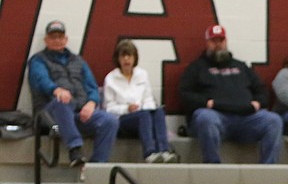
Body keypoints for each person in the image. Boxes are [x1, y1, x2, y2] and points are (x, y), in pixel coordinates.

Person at [179, 24, 282, 164]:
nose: (218, 45)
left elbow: (261, 90)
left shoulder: (241, 66)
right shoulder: (196, 67)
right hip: (217, 117)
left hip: (246, 118)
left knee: (273, 120)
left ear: (226, 42)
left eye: (221, 41)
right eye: (213, 41)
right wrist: (206, 103)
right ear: (207, 42)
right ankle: (213, 166)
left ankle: (267, 169)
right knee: (205, 117)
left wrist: (257, 103)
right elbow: (185, 94)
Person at [27, 20, 117, 167]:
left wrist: (91, 103)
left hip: (77, 115)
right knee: (62, 101)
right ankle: (75, 150)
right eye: (53, 37)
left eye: (60, 37)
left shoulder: (78, 60)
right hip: (49, 116)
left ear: (66, 39)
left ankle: (96, 167)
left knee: (110, 120)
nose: (57, 40)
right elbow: (41, 80)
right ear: (46, 40)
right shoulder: (38, 60)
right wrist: (56, 90)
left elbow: (92, 86)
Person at [102, 39, 178, 163]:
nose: (127, 59)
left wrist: (146, 107)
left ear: (134, 58)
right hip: (122, 119)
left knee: (158, 111)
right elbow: (109, 108)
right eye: (123, 56)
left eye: (129, 55)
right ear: (118, 58)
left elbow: (148, 98)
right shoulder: (111, 79)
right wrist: (127, 108)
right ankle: (149, 153)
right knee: (144, 115)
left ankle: (164, 151)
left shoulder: (142, 75)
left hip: (143, 113)